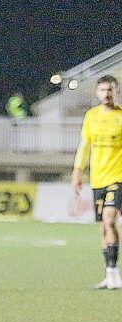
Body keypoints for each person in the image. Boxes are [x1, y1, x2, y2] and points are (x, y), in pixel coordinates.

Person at [72, 75, 122, 290]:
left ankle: (112, 273)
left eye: (110, 89)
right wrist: (77, 171)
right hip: (97, 179)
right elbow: (85, 146)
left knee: (109, 220)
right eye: (102, 90)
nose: (106, 94)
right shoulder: (91, 116)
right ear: (97, 92)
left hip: (118, 177)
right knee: (103, 226)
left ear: (116, 91)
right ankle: (111, 273)